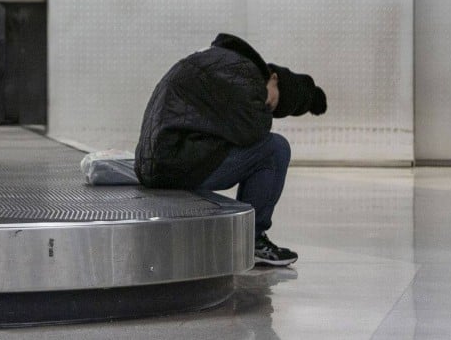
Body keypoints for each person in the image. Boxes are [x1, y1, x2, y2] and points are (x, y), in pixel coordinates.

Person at [134, 33, 327, 266]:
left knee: (266, 145)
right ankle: (251, 240)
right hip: (172, 162)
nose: (267, 107)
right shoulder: (244, 73)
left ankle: (248, 237)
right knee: (276, 149)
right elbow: (253, 131)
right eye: (272, 103)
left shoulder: (224, 62)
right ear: (273, 78)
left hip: (158, 160)